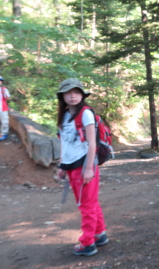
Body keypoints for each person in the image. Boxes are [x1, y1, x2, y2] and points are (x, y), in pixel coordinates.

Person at [55, 78, 108, 257]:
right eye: (69, 93)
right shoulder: (64, 116)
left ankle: (87, 243)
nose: (72, 96)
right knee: (89, 202)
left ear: (82, 95)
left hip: (84, 165)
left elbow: (92, 143)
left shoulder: (85, 113)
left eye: (76, 92)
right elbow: (65, 143)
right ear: (62, 96)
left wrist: (88, 169)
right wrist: (62, 165)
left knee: (86, 205)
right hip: (70, 165)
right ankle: (99, 234)